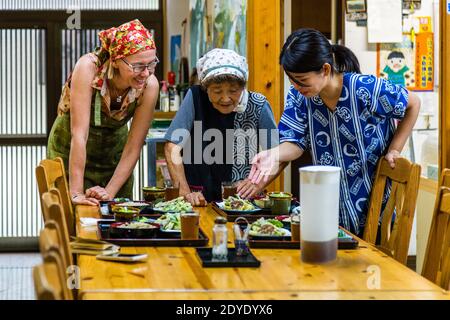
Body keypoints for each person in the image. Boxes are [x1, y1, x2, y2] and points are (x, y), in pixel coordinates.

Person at [248, 28, 420, 236]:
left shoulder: (363, 87)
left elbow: (413, 103)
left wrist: (394, 149)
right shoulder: (300, 96)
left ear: (326, 70)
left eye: (302, 80)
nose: (296, 86)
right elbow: (294, 143)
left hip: (377, 203)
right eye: (291, 79)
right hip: (333, 207)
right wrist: (271, 155)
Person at [47, 19, 159, 206]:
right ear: (115, 61)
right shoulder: (88, 68)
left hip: (113, 157)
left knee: (115, 218)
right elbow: (79, 135)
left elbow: (134, 147)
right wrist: (75, 193)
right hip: (70, 153)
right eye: (138, 66)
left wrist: (109, 192)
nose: (146, 73)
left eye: (151, 64)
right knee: (75, 217)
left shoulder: (150, 86)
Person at [164, 48, 279, 206]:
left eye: (233, 91)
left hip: (241, 202)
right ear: (206, 88)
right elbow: (172, 147)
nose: (225, 98)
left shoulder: (258, 105)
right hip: (198, 199)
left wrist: (256, 183)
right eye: (217, 91)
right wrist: (185, 193)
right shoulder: (195, 97)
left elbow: (277, 153)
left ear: (243, 87)